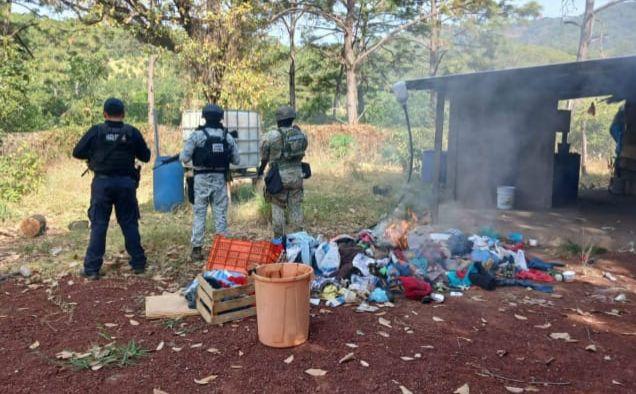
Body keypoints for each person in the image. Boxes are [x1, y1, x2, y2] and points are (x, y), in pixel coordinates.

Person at [72, 98, 151, 280]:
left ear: (104, 114)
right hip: (126, 184)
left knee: (99, 225)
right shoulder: (131, 132)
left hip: (102, 184)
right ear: (123, 114)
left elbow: (77, 152)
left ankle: (92, 269)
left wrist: (94, 155)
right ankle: (138, 263)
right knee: (129, 223)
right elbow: (145, 156)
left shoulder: (96, 131)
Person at [180, 104, 240, 261]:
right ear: (221, 117)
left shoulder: (197, 135)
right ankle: (223, 250)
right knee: (220, 213)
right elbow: (237, 160)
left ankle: (197, 250)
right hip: (220, 179)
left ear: (204, 117)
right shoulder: (227, 136)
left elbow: (184, 158)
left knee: (200, 213)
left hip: (201, 179)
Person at [258, 105, 309, 238]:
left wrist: (261, 170)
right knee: (296, 208)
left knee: (277, 208)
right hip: (297, 176)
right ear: (292, 118)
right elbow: (303, 150)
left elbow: (264, 156)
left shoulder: (271, 136)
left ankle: (279, 241)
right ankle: (298, 240)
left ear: (278, 120)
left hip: (278, 178)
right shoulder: (300, 134)